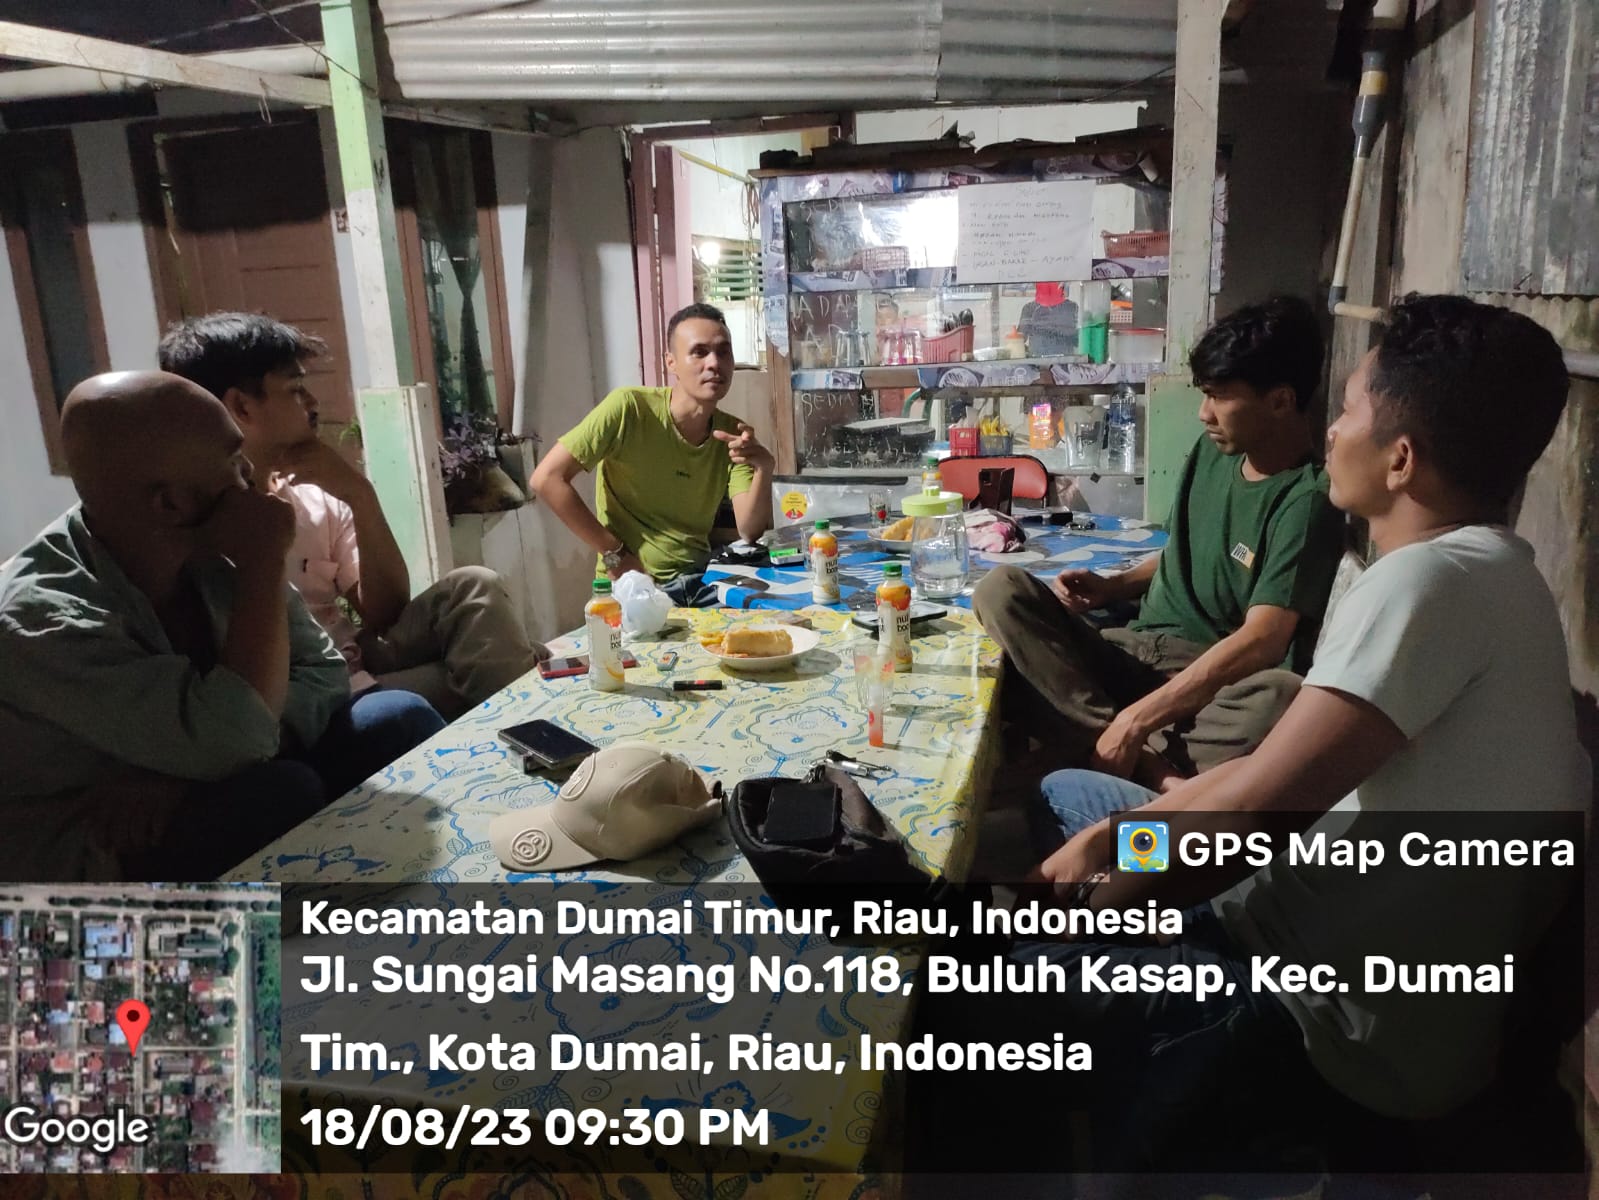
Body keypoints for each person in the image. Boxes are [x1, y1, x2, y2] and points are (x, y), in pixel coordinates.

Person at [913, 295, 1589, 1179]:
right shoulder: (1487, 573)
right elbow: (1266, 784)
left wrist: (1110, 864)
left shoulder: (1428, 585)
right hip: (1289, 916)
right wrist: (1120, 840)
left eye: (1345, 409)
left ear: (1400, 458)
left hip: (1322, 1017)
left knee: (959, 1008)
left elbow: (1249, 819)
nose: (1329, 430)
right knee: (1071, 799)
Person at [0, 372, 445, 881]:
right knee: (277, 796)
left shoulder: (211, 543)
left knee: (395, 718)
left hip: (197, 776)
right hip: (97, 855)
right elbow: (232, 739)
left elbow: (323, 674)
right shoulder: (39, 618)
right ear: (170, 503)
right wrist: (263, 566)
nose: (251, 473)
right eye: (234, 460)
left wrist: (194, 769)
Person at [974, 296, 1345, 795]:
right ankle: (1145, 763)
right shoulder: (1213, 454)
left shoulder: (1306, 500)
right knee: (1001, 591)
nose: (1204, 413)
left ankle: (1097, 738)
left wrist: (1139, 718)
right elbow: (1187, 549)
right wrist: (1113, 587)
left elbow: (1264, 640)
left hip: (1204, 681)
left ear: (1280, 401)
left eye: (1219, 396)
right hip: (1131, 651)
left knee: (1280, 698)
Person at [159, 313, 548, 719]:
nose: (312, 404)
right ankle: (531, 723)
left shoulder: (313, 499)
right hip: (318, 696)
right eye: (294, 389)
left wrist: (359, 496)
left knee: (475, 587)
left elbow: (386, 612)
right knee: (501, 665)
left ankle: (524, 708)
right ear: (241, 406)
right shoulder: (205, 524)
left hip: (363, 660)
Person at [530, 302, 775, 606]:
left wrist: (764, 467)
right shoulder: (629, 408)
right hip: (635, 589)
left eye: (723, 352)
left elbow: (749, 530)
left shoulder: (731, 434)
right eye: (699, 352)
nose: (714, 363)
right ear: (671, 363)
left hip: (702, 581)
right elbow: (547, 479)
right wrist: (615, 554)